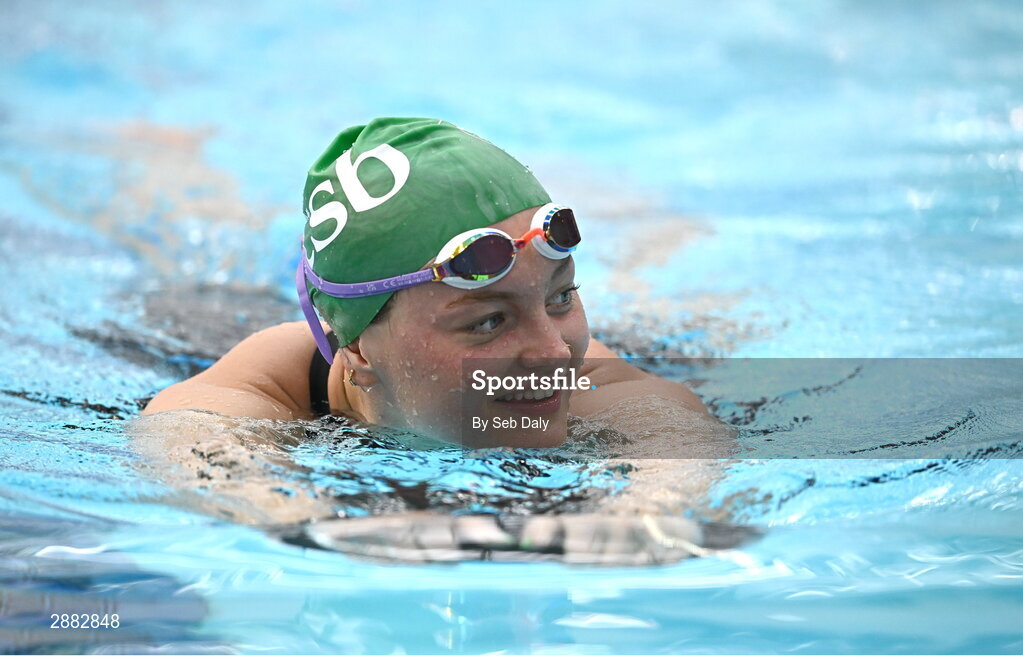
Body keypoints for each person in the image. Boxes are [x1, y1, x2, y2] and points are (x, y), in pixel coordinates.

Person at [134, 118, 740, 556]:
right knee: (181, 243)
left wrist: (645, 514)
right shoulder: (281, 376)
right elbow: (188, 436)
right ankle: (167, 155)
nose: (555, 353)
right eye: (487, 321)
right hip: (210, 313)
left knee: (690, 303)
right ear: (358, 351)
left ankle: (648, 221)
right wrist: (309, 523)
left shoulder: (584, 370)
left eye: (562, 295)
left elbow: (671, 431)